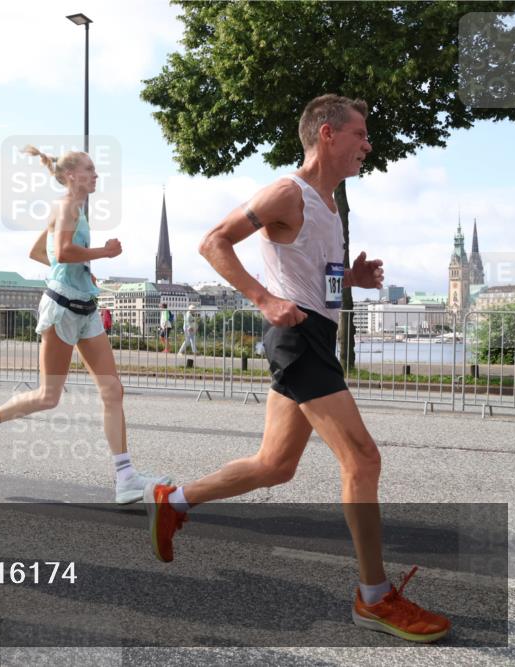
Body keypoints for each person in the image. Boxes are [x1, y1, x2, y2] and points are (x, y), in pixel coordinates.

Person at [143, 95, 450, 642]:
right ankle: (374, 598)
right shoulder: (287, 192)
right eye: (361, 134)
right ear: (328, 134)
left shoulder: (331, 205)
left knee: (274, 465)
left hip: (315, 334)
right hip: (295, 336)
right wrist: (263, 300)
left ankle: (176, 499)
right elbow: (214, 241)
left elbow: (312, 275)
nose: (368, 144)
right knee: (362, 457)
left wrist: (348, 281)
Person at [0, 145, 167, 504]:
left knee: (112, 391)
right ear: (72, 176)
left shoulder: (75, 208)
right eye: (90, 169)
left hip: (85, 309)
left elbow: (42, 253)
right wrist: (102, 252)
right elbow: (64, 250)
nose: (97, 175)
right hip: (61, 311)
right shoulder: (68, 205)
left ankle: (126, 478)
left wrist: (82, 270)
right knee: (48, 396)